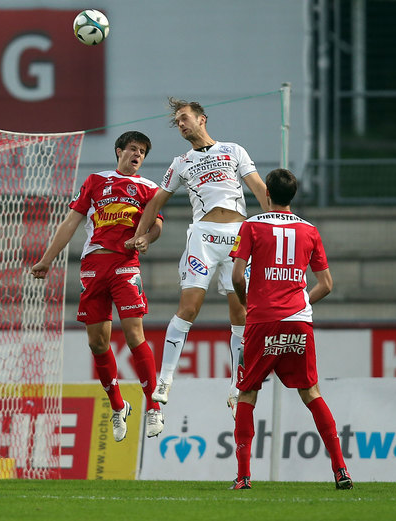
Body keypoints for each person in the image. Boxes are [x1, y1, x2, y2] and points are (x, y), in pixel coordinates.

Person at [127, 98, 269, 417]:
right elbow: (155, 201)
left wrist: (278, 221)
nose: (181, 124)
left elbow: (259, 188)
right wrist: (141, 231)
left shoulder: (234, 150)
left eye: (185, 118)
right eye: (177, 121)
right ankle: (165, 379)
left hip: (237, 236)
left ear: (202, 119)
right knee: (189, 306)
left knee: (240, 312)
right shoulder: (181, 162)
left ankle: (237, 386)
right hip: (203, 237)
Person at [31, 130, 165, 442]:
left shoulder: (149, 188)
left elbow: (157, 224)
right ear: (119, 150)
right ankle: (119, 407)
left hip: (125, 265)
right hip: (93, 267)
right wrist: (47, 259)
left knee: (134, 335)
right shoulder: (95, 181)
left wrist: (145, 237)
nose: (137, 155)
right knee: (97, 343)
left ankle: (154, 405)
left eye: (142, 152)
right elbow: (70, 223)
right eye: (133, 149)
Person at [228, 168, 352, 490]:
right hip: (298, 320)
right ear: (292, 196)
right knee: (311, 392)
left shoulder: (251, 226)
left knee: (247, 392)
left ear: (266, 193)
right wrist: (301, 303)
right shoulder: (310, 230)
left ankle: (243, 477)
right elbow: (326, 284)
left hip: (262, 320)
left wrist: (247, 304)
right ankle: (340, 470)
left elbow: (238, 277)